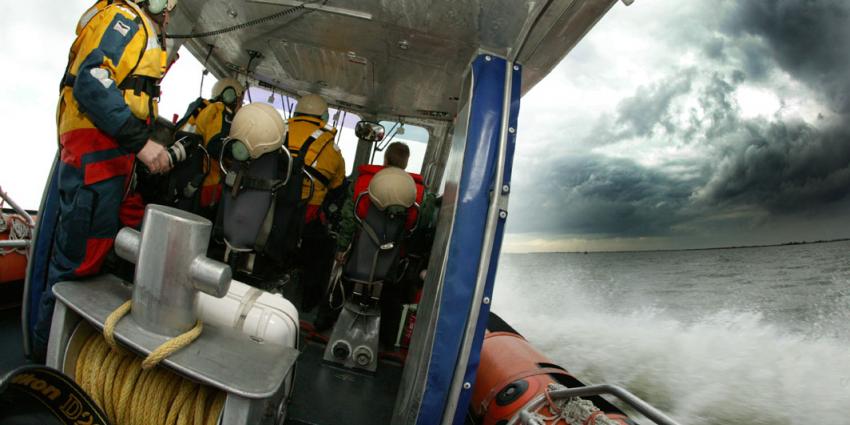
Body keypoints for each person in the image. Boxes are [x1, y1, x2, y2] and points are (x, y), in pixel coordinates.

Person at [33, 0, 177, 360]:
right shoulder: (125, 20)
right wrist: (141, 143)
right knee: (76, 264)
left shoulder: (132, 24)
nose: (170, 10)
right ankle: (43, 362)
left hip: (110, 159)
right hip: (97, 157)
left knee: (89, 260)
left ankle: (61, 354)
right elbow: (92, 79)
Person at [287, 94, 346, 312]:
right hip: (305, 219)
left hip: (268, 211)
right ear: (323, 116)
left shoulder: (279, 130)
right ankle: (308, 306)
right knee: (324, 249)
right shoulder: (331, 148)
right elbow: (338, 189)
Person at [169, 78, 245, 218]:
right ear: (231, 96)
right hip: (204, 183)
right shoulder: (220, 110)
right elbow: (215, 146)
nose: (240, 106)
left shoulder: (200, 107)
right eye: (240, 101)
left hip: (182, 176)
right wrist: (240, 153)